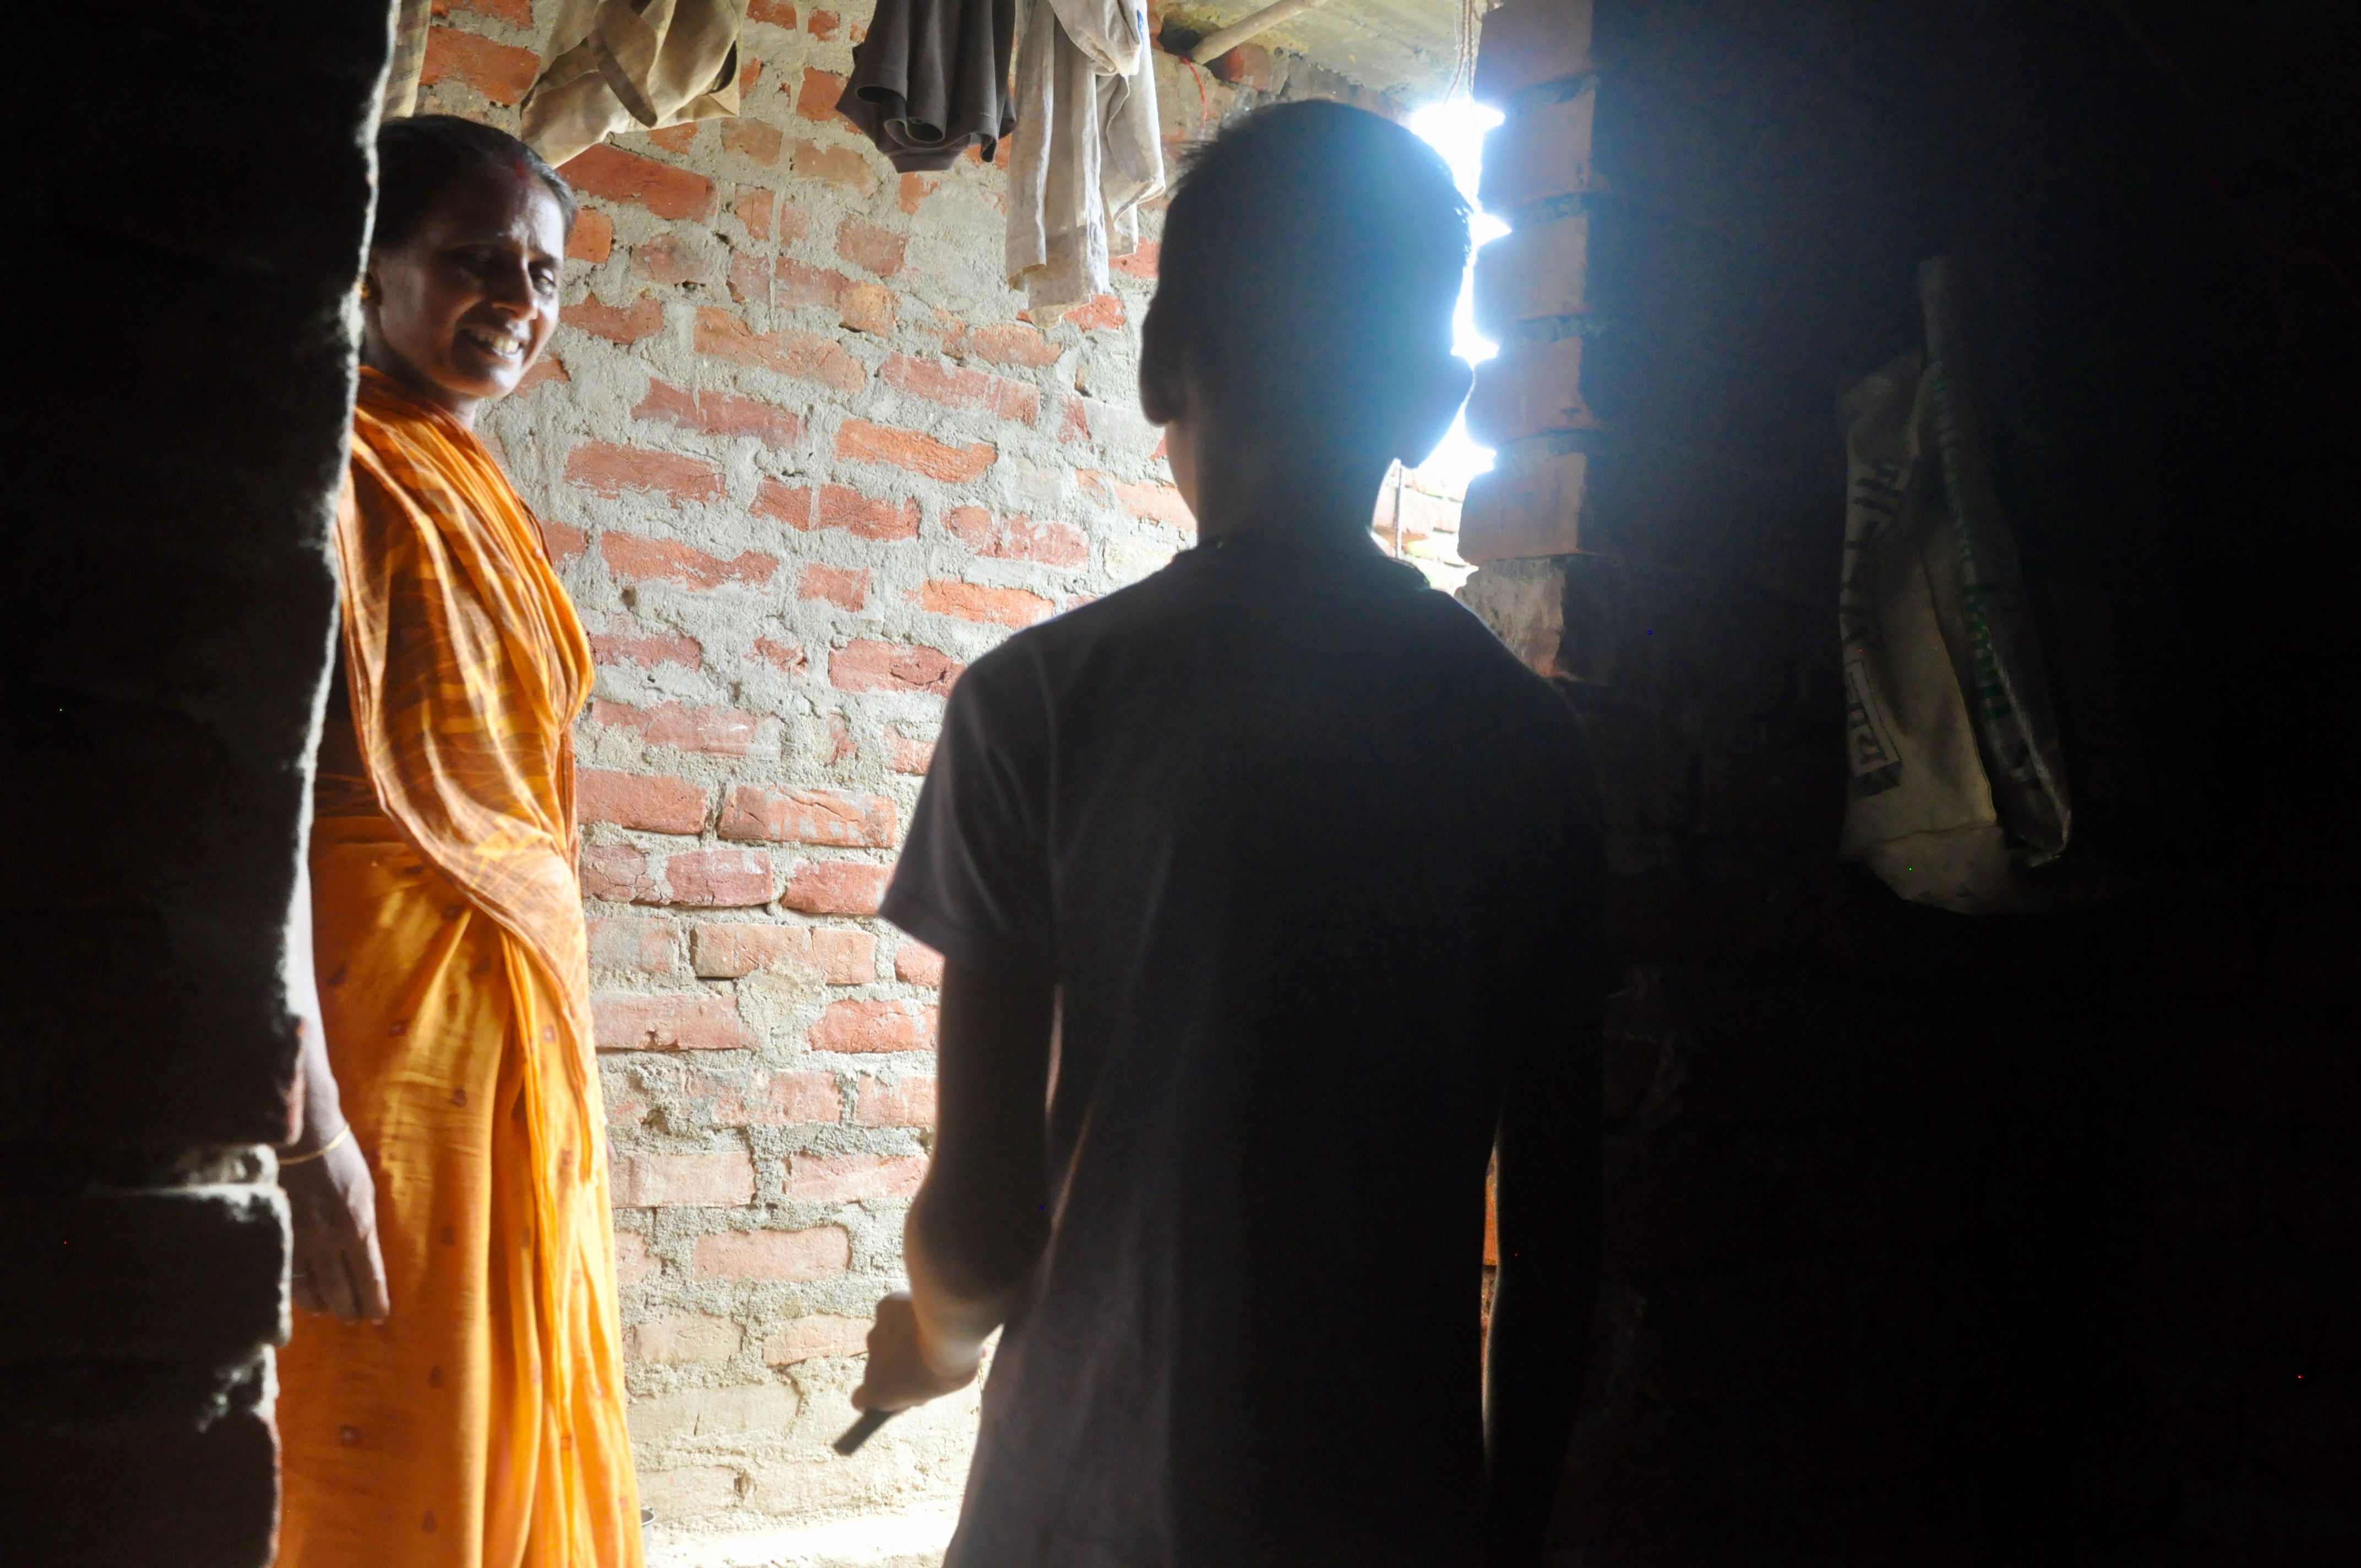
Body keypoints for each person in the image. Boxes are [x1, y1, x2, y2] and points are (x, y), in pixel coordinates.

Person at [850, 101, 1607, 1568]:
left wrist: (933, 1344)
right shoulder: (1527, 747)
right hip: (1384, 1516)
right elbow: (1561, 1239)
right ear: (1435, 403)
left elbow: (985, 1229)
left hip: (1078, 1507)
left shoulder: (1039, 707)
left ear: (1156, 362)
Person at [274, 115, 641, 1567]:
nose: (519, 303)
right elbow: (270, 811)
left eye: (545, 276)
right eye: (477, 262)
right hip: (384, 1039)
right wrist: (310, 1131)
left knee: (515, 1400)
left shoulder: (476, 484)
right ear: (374, 269)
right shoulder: (322, 473)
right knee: (386, 1416)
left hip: (517, 1029)